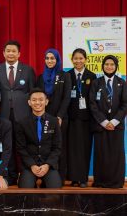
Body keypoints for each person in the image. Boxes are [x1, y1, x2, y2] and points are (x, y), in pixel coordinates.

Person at [0, 40, 36, 186]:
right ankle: (9, 176)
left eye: (13, 51)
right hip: (3, 114)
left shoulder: (28, 70)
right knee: (6, 145)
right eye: (8, 51)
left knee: (23, 145)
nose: (11, 53)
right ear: (3, 53)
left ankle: (26, 175)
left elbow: (32, 93)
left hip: (23, 115)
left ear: (19, 53)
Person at [89, 55, 127, 188]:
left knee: (116, 155)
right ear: (102, 66)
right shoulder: (96, 82)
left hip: (117, 126)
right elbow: (92, 104)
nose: (109, 66)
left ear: (116, 66)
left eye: (112, 64)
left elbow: (125, 105)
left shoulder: (122, 83)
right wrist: (104, 122)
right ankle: (100, 181)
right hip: (100, 126)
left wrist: (115, 121)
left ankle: (116, 182)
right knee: (101, 154)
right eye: (106, 64)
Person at [36, 48, 71, 183]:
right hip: (44, 118)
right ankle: (46, 178)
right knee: (45, 147)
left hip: (60, 119)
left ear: (57, 60)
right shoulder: (40, 77)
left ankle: (60, 177)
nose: (49, 61)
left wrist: (59, 116)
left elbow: (67, 97)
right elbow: (38, 97)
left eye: (52, 58)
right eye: (47, 58)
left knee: (59, 147)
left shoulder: (64, 76)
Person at [16, 88, 62, 188]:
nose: (37, 102)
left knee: (56, 191)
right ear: (29, 102)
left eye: (41, 99)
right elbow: (20, 148)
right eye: (34, 100)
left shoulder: (54, 121)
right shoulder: (22, 123)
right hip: (29, 166)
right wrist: (32, 165)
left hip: (48, 165)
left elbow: (57, 147)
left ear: (46, 102)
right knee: (25, 191)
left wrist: (47, 165)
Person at [66, 48, 96, 188]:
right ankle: (73, 178)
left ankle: (83, 178)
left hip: (86, 119)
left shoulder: (92, 76)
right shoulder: (68, 75)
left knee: (85, 148)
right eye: (76, 58)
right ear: (72, 60)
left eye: (81, 58)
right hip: (71, 119)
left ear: (86, 59)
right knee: (72, 149)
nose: (78, 61)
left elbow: (94, 99)